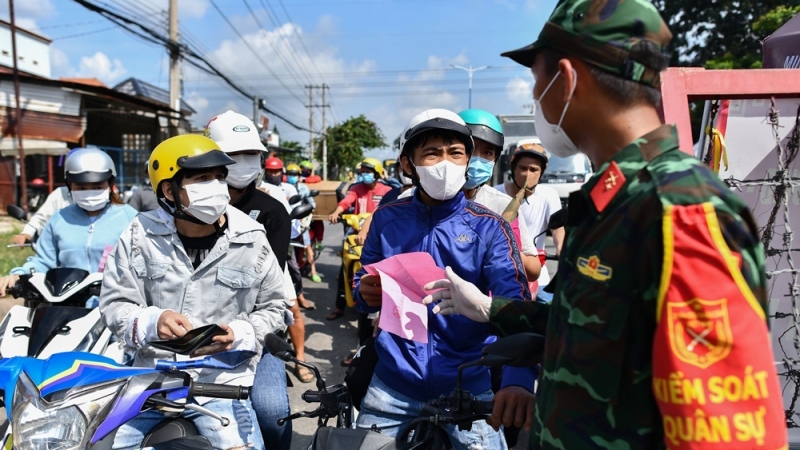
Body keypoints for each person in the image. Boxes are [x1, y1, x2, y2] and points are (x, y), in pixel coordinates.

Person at [422, 1, 788, 448]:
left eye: (537, 79)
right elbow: (593, 327)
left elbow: (727, 432)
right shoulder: (612, 200)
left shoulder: (679, 211)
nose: (536, 97)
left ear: (568, 79)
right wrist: (491, 309)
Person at [353, 109, 534, 449]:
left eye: (456, 153)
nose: (445, 163)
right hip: (391, 388)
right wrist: (363, 291)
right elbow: (364, 281)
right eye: (433, 153)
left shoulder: (490, 227)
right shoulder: (385, 220)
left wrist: (519, 380)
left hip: (469, 389)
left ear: (467, 161)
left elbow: (518, 307)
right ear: (409, 165)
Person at [100, 135, 285, 450]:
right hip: (150, 382)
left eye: (219, 177)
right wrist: (150, 321)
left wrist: (239, 333)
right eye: (202, 178)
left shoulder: (252, 238)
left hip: (221, 385)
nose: (216, 187)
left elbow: (276, 309)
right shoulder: (138, 234)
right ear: (169, 190)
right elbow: (114, 303)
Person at [204, 111, 302, 448]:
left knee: (272, 410)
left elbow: (264, 283)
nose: (245, 162)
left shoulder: (272, 210)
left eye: (252, 154)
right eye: (235, 154)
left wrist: (242, 330)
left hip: (254, 327)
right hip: (194, 329)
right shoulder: (189, 205)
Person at [397, 109, 542, 282]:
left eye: (488, 153)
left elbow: (533, 270)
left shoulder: (501, 205)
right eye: (472, 151)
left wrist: (501, 246)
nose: (477, 160)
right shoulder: (411, 200)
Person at [0, 148, 137, 296]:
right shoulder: (59, 219)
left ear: (110, 184)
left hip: (117, 304)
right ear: (69, 185)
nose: (89, 193)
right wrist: (19, 274)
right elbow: (44, 261)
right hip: (69, 304)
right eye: (81, 188)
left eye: (97, 187)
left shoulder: (129, 217)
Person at [326, 158, 392, 321]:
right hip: (356, 233)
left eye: (368, 172)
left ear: (377, 174)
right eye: (362, 173)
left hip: (377, 235)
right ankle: (339, 306)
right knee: (344, 268)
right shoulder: (356, 189)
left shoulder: (386, 191)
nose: (365, 176)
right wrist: (337, 212)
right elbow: (346, 202)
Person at [494, 142, 563, 290]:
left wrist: (561, 247)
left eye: (534, 169)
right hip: (499, 272)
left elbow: (557, 228)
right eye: (523, 168)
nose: (527, 174)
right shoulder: (495, 193)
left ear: (541, 173)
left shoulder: (548, 195)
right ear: (513, 168)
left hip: (536, 273)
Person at [286, 163, 321, 283]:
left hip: (300, 222)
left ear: (299, 176)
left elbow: (313, 204)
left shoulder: (304, 189)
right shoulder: (281, 188)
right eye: (290, 174)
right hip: (285, 221)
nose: (292, 177)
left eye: (295, 175)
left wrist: (303, 212)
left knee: (307, 246)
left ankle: (313, 270)